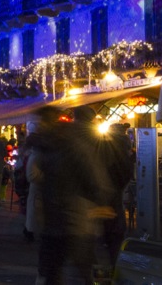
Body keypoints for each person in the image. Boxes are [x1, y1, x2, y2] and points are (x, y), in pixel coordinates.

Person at [27, 107, 114, 285]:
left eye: (41, 122)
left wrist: (101, 202)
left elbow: (94, 175)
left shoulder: (71, 145)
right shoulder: (47, 147)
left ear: (50, 122)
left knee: (86, 266)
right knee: (52, 270)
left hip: (75, 219)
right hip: (54, 220)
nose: (38, 126)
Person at [93, 121, 136, 268]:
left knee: (102, 244)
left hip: (102, 200)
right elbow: (127, 174)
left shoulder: (102, 149)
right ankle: (115, 272)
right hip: (115, 199)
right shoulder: (125, 150)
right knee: (115, 242)